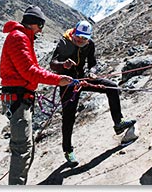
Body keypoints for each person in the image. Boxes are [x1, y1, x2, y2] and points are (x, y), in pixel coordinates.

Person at [0, 5, 73, 185]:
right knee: (22, 148)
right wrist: (57, 80)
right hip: (18, 99)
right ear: (35, 23)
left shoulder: (23, 37)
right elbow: (29, 71)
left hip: (20, 97)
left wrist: (60, 72)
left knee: (26, 147)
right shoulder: (18, 38)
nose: (41, 30)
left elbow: (32, 68)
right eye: (41, 26)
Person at [49, 20, 136, 167]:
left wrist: (92, 72)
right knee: (69, 117)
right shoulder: (64, 43)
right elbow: (52, 63)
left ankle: (118, 122)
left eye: (83, 39)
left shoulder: (89, 45)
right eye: (78, 38)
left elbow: (92, 62)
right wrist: (63, 65)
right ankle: (68, 150)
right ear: (74, 33)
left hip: (83, 79)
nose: (80, 41)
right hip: (67, 83)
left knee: (112, 87)